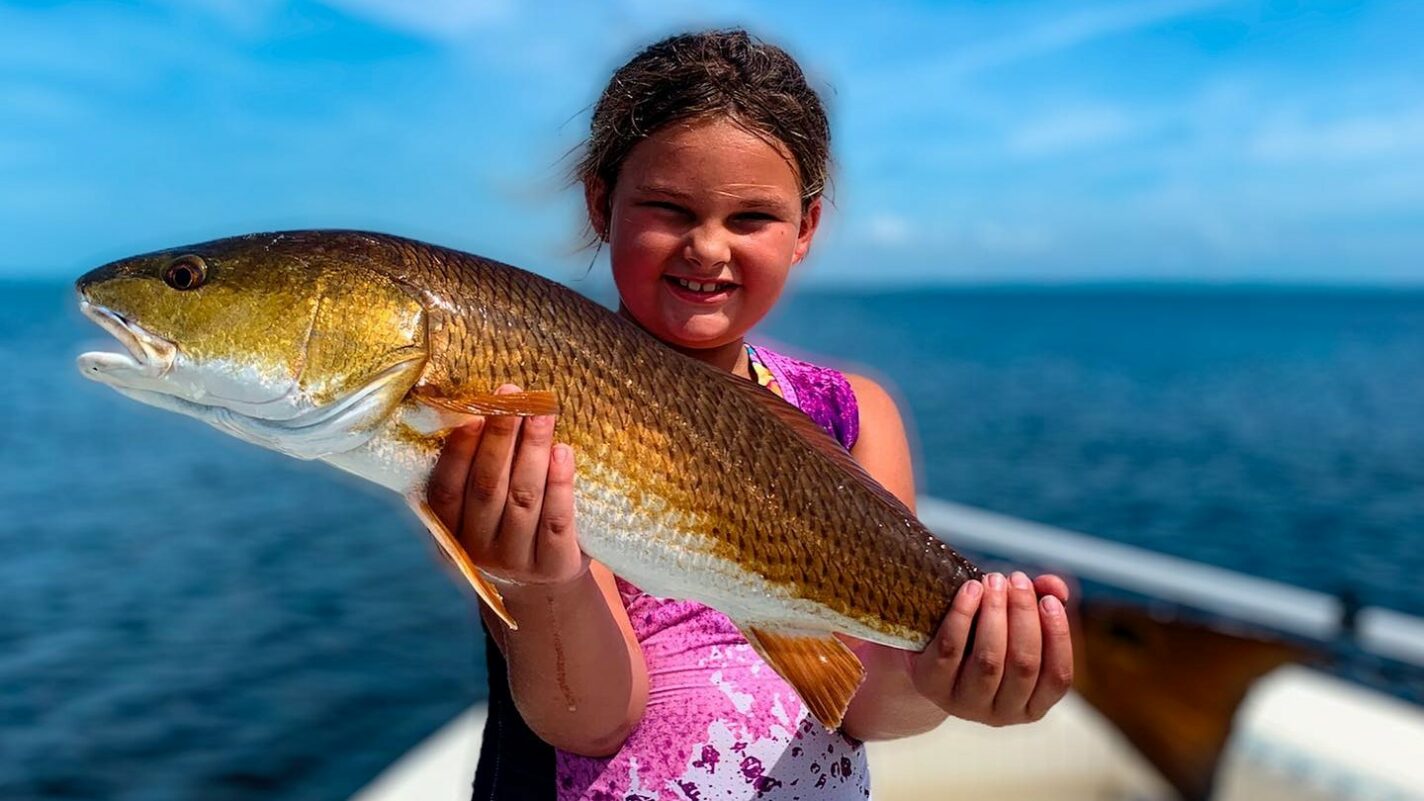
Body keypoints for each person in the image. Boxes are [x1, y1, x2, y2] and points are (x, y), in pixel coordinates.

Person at [425, 29, 1074, 801]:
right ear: (603, 203)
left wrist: (943, 681)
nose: (707, 247)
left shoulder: (856, 413)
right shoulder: (531, 408)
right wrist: (537, 583)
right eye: (668, 207)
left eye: (751, 219)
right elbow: (591, 720)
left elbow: (861, 703)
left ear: (806, 229)